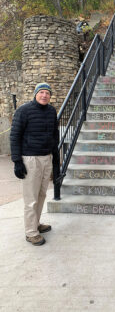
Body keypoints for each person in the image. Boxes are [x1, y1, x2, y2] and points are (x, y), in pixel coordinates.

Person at [10, 83, 59, 246]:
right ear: (35, 94)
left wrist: (56, 158)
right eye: (41, 92)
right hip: (30, 159)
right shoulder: (23, 111)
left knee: (41, 194)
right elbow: (15, 136)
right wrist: (17, 161)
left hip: (47, 157)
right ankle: (31, 233)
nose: (44, 95)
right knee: (31, 198)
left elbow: (55, 135)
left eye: (47, 93)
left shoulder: (52, 112)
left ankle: (36, 224)